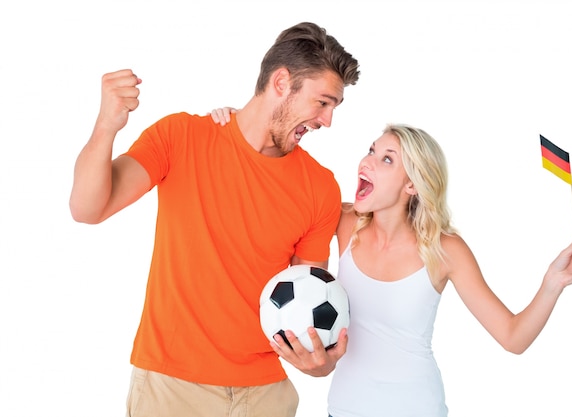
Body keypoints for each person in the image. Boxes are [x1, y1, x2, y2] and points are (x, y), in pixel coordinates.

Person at [210, 110, 572, 417]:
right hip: (345, 409)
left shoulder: (445, 250)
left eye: (387, 159)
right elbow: (282, 185)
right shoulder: (344, 224)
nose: (368, 161)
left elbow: (512, 337)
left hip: (418, 408)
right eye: (371, 150)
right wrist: (245, 129)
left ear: (412, 185)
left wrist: (552, 283)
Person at [69, 22, 360, 417]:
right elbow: (87, 209)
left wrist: (319, 361)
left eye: (333, 108)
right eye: (322, 102)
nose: (327, 121)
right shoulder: (181, 136)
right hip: (171, 388)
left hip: (265, 396)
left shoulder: (320, 188)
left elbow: (303, 302)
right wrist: (106, 125)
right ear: (281, 82)